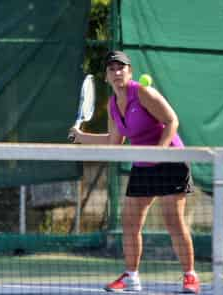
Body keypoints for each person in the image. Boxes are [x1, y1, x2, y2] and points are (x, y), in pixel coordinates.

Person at [68, 50, 200, 294]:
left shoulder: (143, 93)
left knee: (173, 220)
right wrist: (82, 137)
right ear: (106, 77)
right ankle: (131, 277)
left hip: (171, 160)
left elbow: (172, 121)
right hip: (143, 165)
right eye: (112, 69)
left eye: (122, 67)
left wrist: (159, 151)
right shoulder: (112, 106)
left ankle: (190, 276)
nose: (117, 72)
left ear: (130, 72)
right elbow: (114, 142)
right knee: (130, 223)